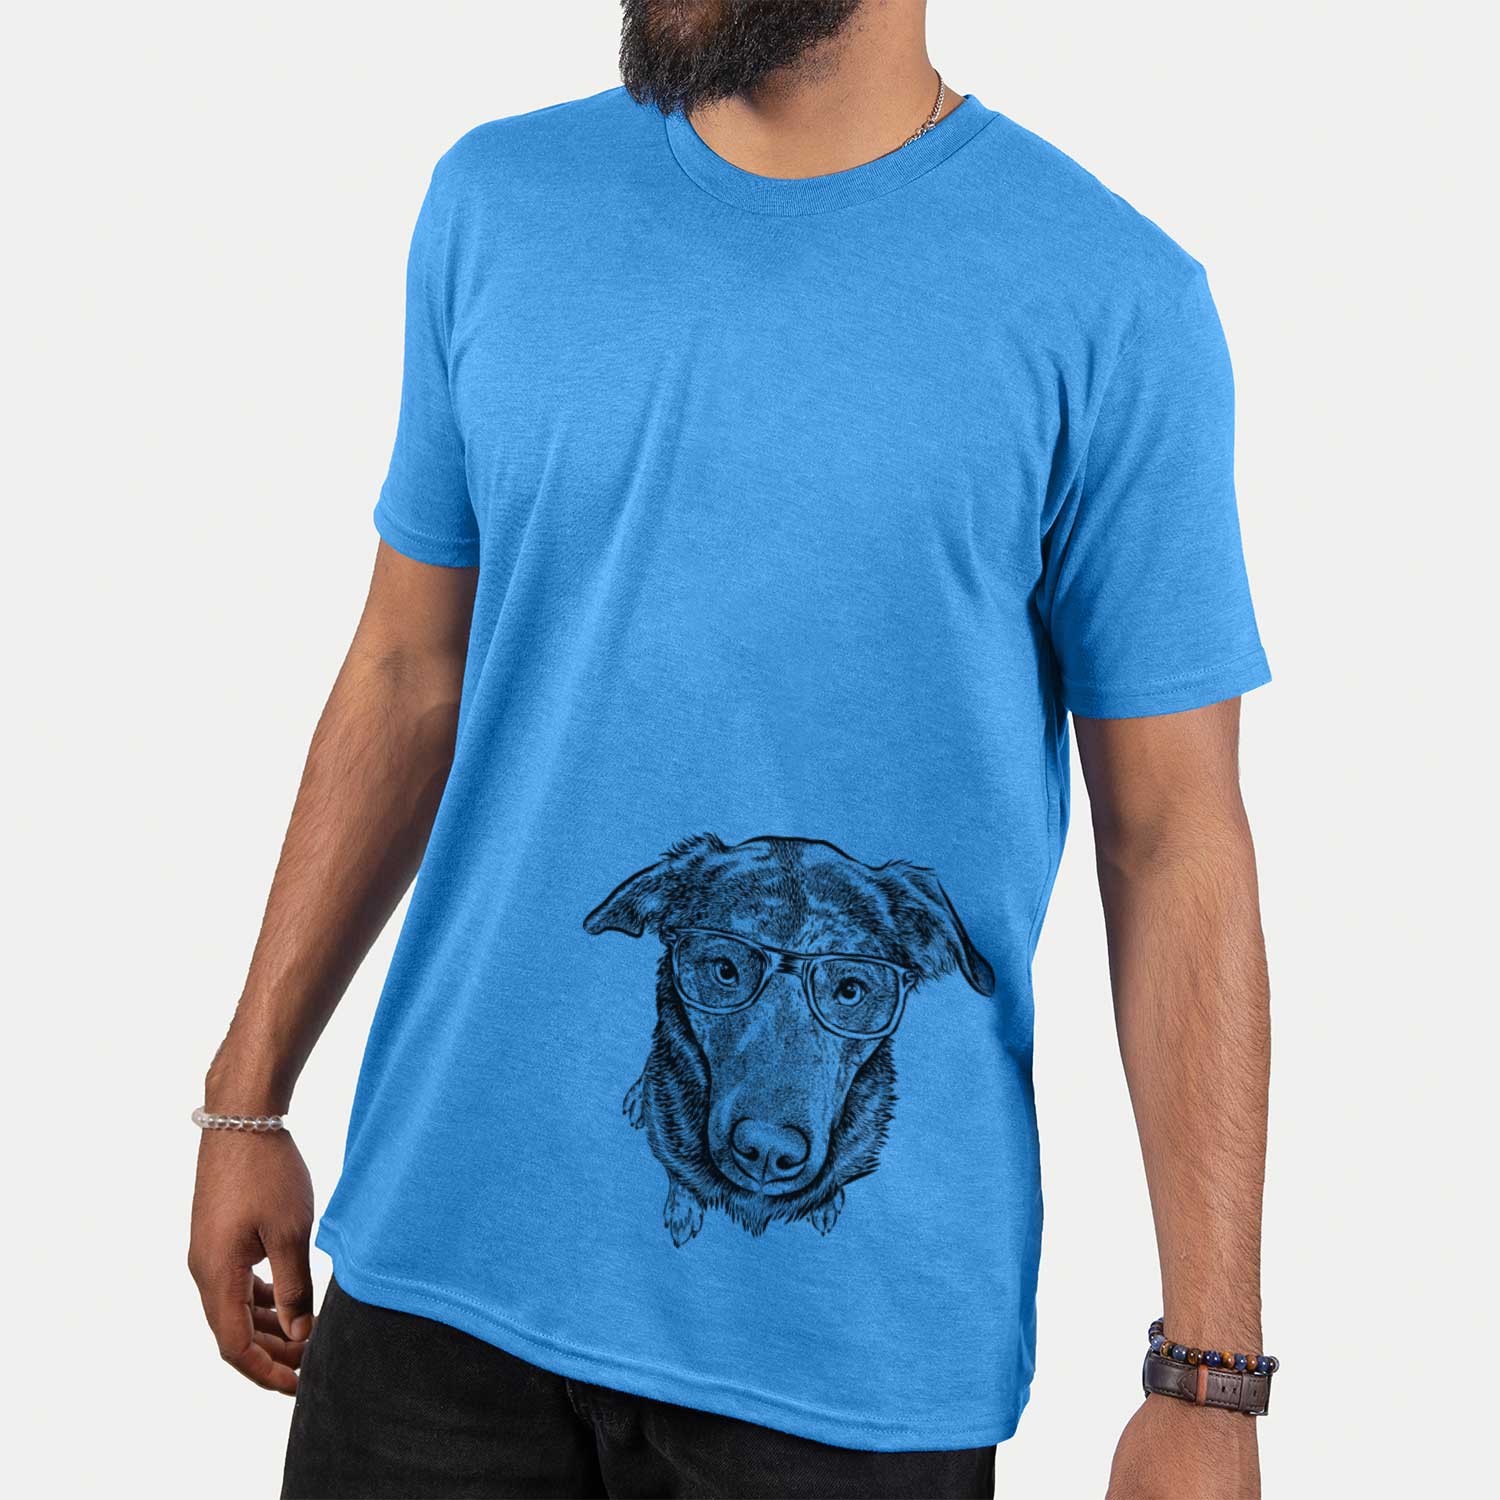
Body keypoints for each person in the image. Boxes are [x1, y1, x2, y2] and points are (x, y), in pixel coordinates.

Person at [188, 2, 1275, 1496]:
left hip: (846, 1354)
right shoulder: (499, 204)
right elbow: (404, 671)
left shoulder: (1111, 301)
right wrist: (248, 1089)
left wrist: (1209, 1379)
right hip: (438, 1274)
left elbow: (1174, 842)